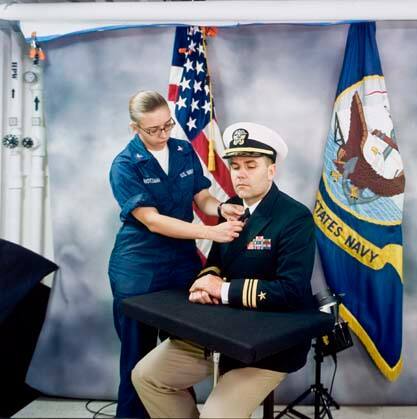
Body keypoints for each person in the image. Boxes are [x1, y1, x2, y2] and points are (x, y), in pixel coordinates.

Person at [132, 122, 316, 418]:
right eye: (235, 166)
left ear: (271, 170)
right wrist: (206, 282)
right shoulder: (230, 207)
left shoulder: (294, 218)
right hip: (220, 330)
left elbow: (292, 291)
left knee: (216, 416)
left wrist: (223, 289)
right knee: (147, 376)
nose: (240, 173)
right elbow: (215, 261)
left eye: (251, 165)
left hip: (269, 344)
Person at [108, 91, 245, 418]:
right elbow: (152, 220)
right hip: (138, 268)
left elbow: (202, 197)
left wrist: (222, 208)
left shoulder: (183, 150)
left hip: (181, 264)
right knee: (137, 359)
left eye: (167, 125)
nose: (163, 134)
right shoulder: (124, 165)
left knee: (178, 354)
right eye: (153, 129)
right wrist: (210, 232)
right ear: (135, 128)